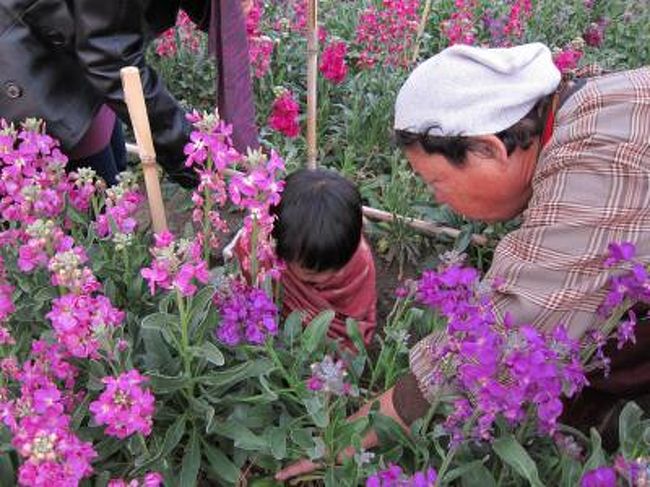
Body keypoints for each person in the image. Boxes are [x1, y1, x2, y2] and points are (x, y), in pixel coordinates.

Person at [276, 42, 650, 480]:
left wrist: (344, 442)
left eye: (437, 181)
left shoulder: (591, 182)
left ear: (490, 149)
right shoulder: (593, 100)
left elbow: (502, 331)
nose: (438, 198)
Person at [0, 0, 257, 187]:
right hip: (31, 65)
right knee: (99, 201)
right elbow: (110, 58)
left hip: (73, 40)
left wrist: (219, 9)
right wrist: (193, 157)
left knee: (115, 169)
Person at [232, 168, 377, 347]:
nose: (323, 277)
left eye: (333, 270)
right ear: (279, 247)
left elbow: (353, 326)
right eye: (311, 272)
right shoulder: (258, 250)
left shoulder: (359, 263)